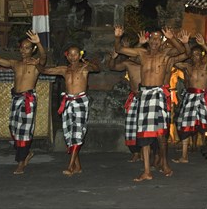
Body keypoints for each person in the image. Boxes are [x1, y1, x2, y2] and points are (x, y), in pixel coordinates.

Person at [114, 26, 188, 181]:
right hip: (144, 95)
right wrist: (117, 36)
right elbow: (120, 49)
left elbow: (182, 51)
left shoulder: (166, 54)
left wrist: (171, 38)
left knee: (161, 133)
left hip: (159, 94)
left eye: (158, 38)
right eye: (152, 38)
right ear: (148, 40)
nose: (155, 41)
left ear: (162, 41)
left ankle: (165, 163)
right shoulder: (141, 53)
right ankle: (146, 170)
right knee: (143, 134)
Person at [0, 30, 46, 175]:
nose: (23, 50)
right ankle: (27, 153)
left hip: (28, 99)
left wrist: (38, 42)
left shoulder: (36, 64)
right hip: (16, 98)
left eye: (27, 48)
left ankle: (21, 163)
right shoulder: (15, 63)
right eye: (22, 47)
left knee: (24, 132)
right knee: (13, 128)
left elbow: (44, 57)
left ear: (33, 50)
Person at [36, 46, 100, 176]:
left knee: (77, 133)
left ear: (80, 55)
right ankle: (78, 166)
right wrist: (37, 64)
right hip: (68, 102)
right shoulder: (64, 69)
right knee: (69, 134)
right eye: (70, 54)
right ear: (67, 56)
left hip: (80, 101)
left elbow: (97, 68)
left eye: (75, 54)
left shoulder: (84, 67)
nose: (73, 57)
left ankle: (70, 166)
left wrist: (89, 63)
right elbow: (45, 71)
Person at [107, 32, 158, 163]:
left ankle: (149, 151)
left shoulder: (148, 62)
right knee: (131, 125)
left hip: (147, 96)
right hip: (134, 96)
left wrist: (142, 44)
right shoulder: (128, 63)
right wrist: (112, 58)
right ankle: (135, 152)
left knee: (147, 126)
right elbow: (112, 67)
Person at [172, 33, 207, 163]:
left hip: (202, 97)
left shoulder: (206, 67)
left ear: (202, 55)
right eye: (193, 54)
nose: (195, 57)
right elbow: (173, 62)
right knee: (185, 124)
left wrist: (203, 44)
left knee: (205, 126)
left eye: (198, 54)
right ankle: (184, 156)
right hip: (189, 97)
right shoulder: (188, 67)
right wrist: (182, 45)